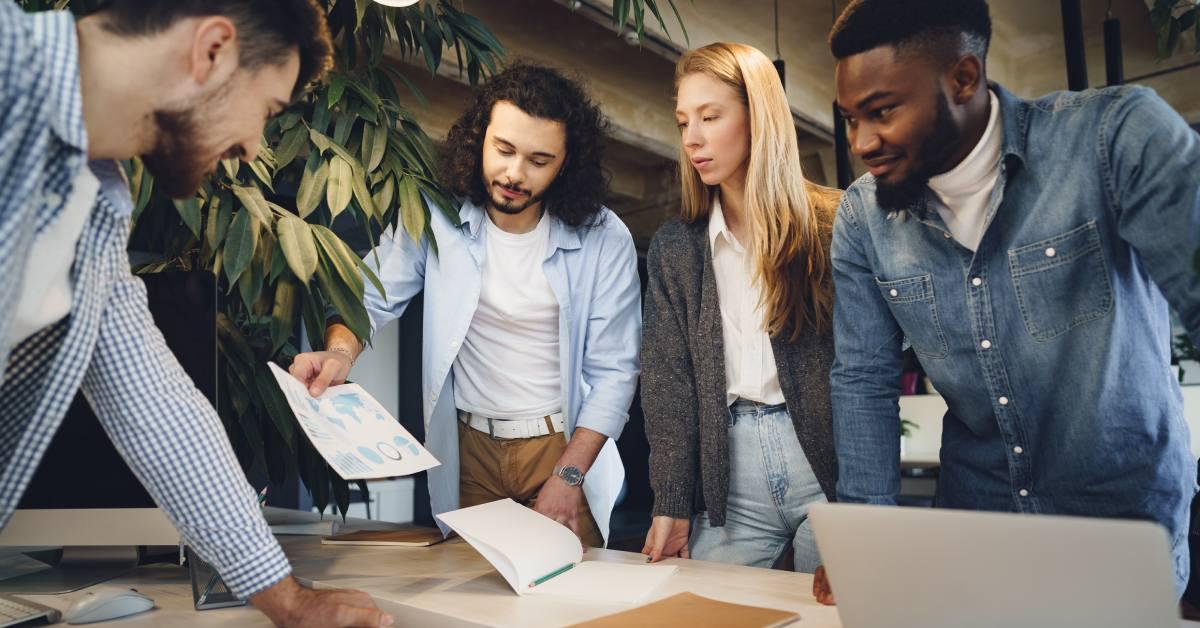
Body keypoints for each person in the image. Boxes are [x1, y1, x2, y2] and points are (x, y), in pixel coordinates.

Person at [0, 2, 391, 625]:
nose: (251, 147)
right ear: (211, 48)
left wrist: (286, 600)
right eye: (264, 112)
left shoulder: (96, 205)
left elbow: (156, 406)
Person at [815, 0, 1200, 603]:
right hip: (977, 520)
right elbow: (863, 379)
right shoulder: (864, 218)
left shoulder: (1112, 138)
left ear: (963, 78)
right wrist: (865, 539)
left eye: (882, 112)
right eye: (849, 118)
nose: (862, 141)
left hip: (1120, 525)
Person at [288, 64, 641, 548]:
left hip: (562, 449)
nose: (515, 173)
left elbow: (615, 373)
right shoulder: (437, 215)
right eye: (504, 150)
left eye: (539, 160)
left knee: (567, 608)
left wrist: (570, 476)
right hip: (470, 450)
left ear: (565, 164)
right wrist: (339, 354)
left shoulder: (605, 238)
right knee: (477, 607)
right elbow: (367, 296)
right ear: (480, 138)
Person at [640, 42, 842, 573]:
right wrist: (671, 498)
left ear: (760, 117)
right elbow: (667, 384)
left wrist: (867, 492)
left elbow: (869, 365)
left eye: (711, 117)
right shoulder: (676, 247)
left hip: (827, 465)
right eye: (684, 121)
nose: (692, 139)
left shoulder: (835, 223)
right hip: (729, 473)